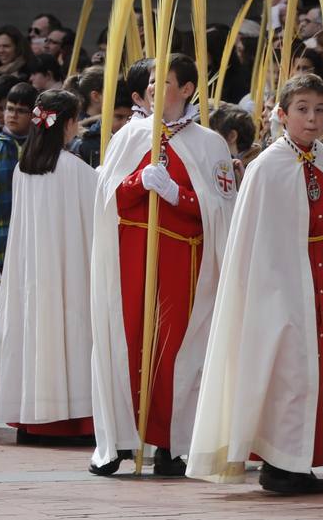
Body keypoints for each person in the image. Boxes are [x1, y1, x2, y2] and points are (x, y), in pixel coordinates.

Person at [187, 73, 323, 493]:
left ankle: (295, 459)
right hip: (278, 280)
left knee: (308, 367)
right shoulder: (268, 167)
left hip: (315, 272)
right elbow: (259, 237)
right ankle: (280, 462)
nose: (313, 118)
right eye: (302, 109)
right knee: (286, 367)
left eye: (320, 110)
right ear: (281, 115)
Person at [88, 54, 234, 476]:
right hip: (130, 259)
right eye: (151, 81)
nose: (153, 88)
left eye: (164, 81)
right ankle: (117, 440)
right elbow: (106, 200)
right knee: (124, 343)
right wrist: (136, 183)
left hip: (182, 264)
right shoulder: (128, 135)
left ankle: (171, 443)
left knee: (174, 353)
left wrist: (177, 194)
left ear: (187, 90)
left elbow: (223, 209)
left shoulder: (209, 144)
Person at [0, 89, 97, 444]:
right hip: (69, 270)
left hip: (31, 272)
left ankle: (32, 418)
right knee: (70, 334)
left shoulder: (23, 169)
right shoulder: (77, 169)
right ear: (69, 124)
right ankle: (71, 419)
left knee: (33, 333)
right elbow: (98, 222)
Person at [0, 81, 36, 273]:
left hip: (35, 241)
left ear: (33, 115)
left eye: (21, 110)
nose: (12, 115)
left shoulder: (43, 152)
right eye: (9, 109)